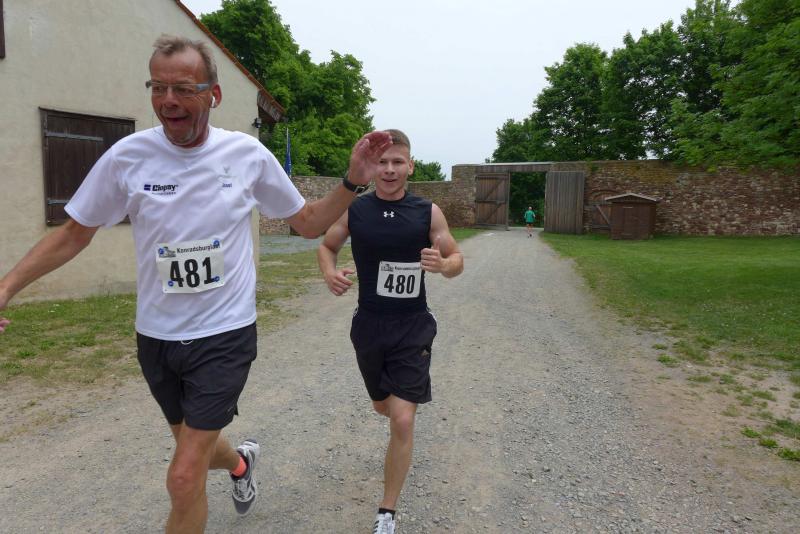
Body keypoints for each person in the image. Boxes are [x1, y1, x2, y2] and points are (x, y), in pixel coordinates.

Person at [0, 35, 391, 533]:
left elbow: (309, 223)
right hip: (157, 338)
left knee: (184, 477)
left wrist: (353, 181)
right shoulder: (128, 157)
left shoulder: (246, 155)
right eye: (157, 87)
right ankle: (241, 463)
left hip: (224, 335)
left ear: (213, 95)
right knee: (195, 448)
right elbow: (74, 232)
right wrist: (6, 288)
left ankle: (226, 469)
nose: (168, 100)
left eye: (183, 89)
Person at [317, 129, 464, 534]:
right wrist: (329, 272)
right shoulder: (355, 210)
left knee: (401, 419)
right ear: (373, 166)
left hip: (413, 327)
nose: (389, 169)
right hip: (368, 327)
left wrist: (443, 265)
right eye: (382, 162)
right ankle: (388, 409)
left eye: (397, 161)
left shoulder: (427, 212)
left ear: (410, 166)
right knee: (383, 406)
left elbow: (456, 257)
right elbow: (327, 246)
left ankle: (387, 512)